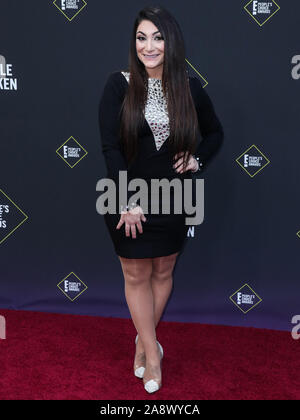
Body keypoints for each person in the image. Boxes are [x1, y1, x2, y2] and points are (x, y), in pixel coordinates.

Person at [98, 5, 224, 393]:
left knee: (163, 273)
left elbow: (215, 133)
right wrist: (125, 198)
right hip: (126, 197)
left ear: (171, 42)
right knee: (135, 274)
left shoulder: (189, 86)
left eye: (157, 37)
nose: (148, 46)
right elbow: (110, 149)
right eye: (141, 37)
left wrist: (196, 158)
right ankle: (153, 355)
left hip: (175, 198)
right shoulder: (117, 85)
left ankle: (142, 340)